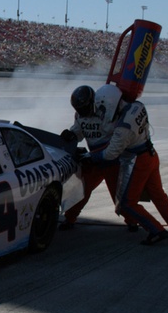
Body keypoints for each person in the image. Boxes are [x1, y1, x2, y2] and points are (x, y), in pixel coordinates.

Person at [90, 84, 168, 245]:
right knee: (158, 196)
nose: (102, 112)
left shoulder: (123, 128)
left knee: (127, 203)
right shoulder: (137, 105)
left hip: (138, 161)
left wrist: (91, 156)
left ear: (111, 102)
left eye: (103, 108)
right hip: (151, 154)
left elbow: (110, 154)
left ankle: (156, 230)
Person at [58, 85, 138, 231]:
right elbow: (79, 130)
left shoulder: (109, 111)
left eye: (83, 108)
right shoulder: (79, 115)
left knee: (119, 195)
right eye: (78, 109)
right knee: (80, 190)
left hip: (113, 160)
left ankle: (132, 221)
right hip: (93, 159)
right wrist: (71, 135)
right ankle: (69, 219)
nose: (82, 112)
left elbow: (118, 137)